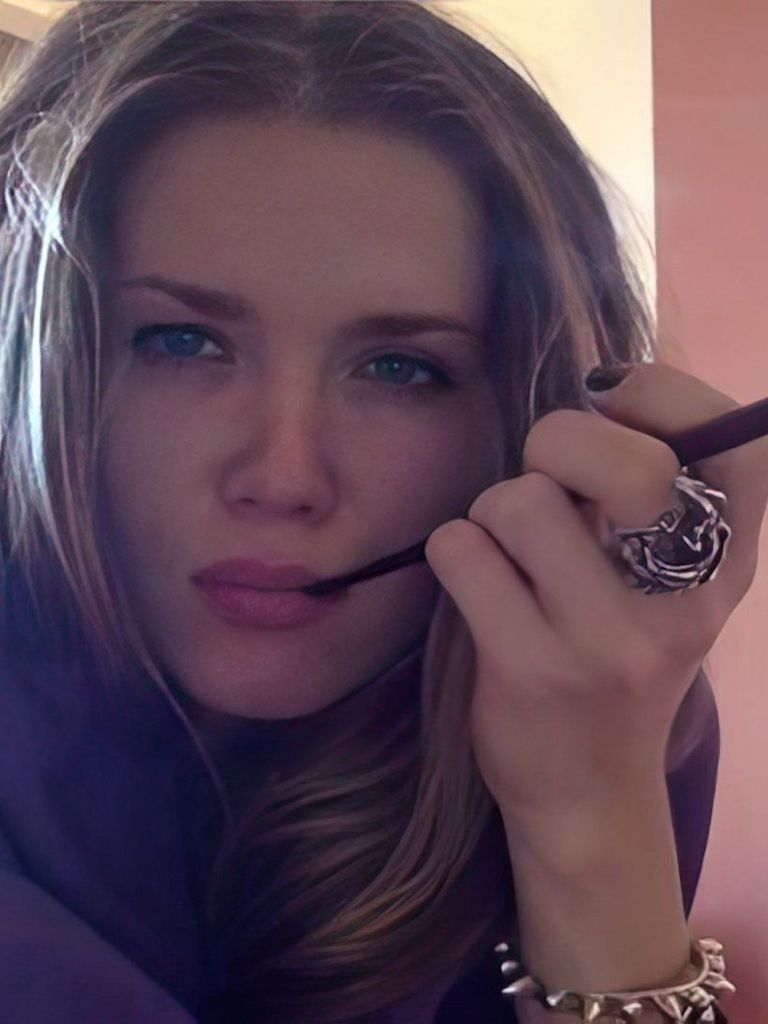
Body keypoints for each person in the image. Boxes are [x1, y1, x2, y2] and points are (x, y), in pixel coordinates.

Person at [0, 2, 750, 1022]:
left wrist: (591, 816)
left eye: (400, 368)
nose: (283, 476)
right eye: (181, 342)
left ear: (525, 417)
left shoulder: (602, 706)